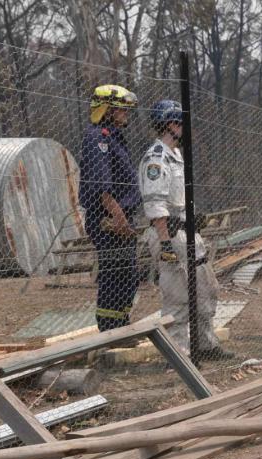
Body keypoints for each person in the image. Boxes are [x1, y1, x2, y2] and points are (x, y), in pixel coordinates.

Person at [138, 100, 234, 361]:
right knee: (177, 298)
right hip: (168, 233)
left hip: (186, 233)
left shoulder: (177, 155)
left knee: (205, 288)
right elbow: (156, 205)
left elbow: (178, 198)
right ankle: (179, 356)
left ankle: (206, 344)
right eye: (182, 123)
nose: (187, 129)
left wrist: (192, 219)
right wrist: (165, 243)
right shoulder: (155, 160)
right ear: (171, 124)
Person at [78, 84, 141, 331]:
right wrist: (119, 218)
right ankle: (109, 329)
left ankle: (122, 325)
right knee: (114, 276)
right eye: (121, 109)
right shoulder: (98, 138)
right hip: (108, 219)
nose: (126, 114)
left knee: (127, 276)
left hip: (120, 217)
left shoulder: (113, 136)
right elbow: (102, 187)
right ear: (108, 110)